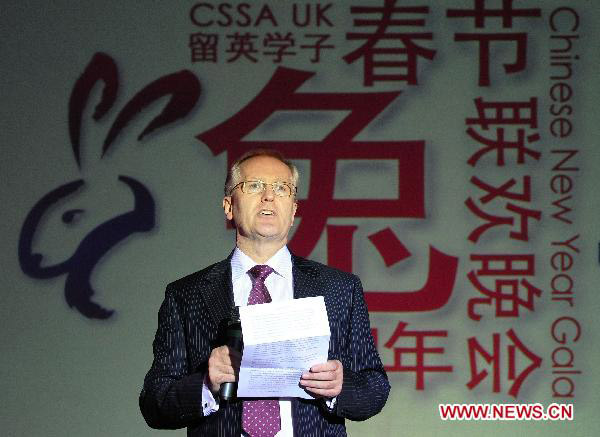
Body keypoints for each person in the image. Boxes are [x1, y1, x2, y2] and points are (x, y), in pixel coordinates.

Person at [139, 149, 389, 436]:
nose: (269, 196)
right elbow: (154, 402)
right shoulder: (187, 294)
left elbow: (376, 388)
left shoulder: (339, 288)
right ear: (229, 206)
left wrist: (339, 387)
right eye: (254, 186)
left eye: (282, 188)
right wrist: (206, 384)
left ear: (294, 210)